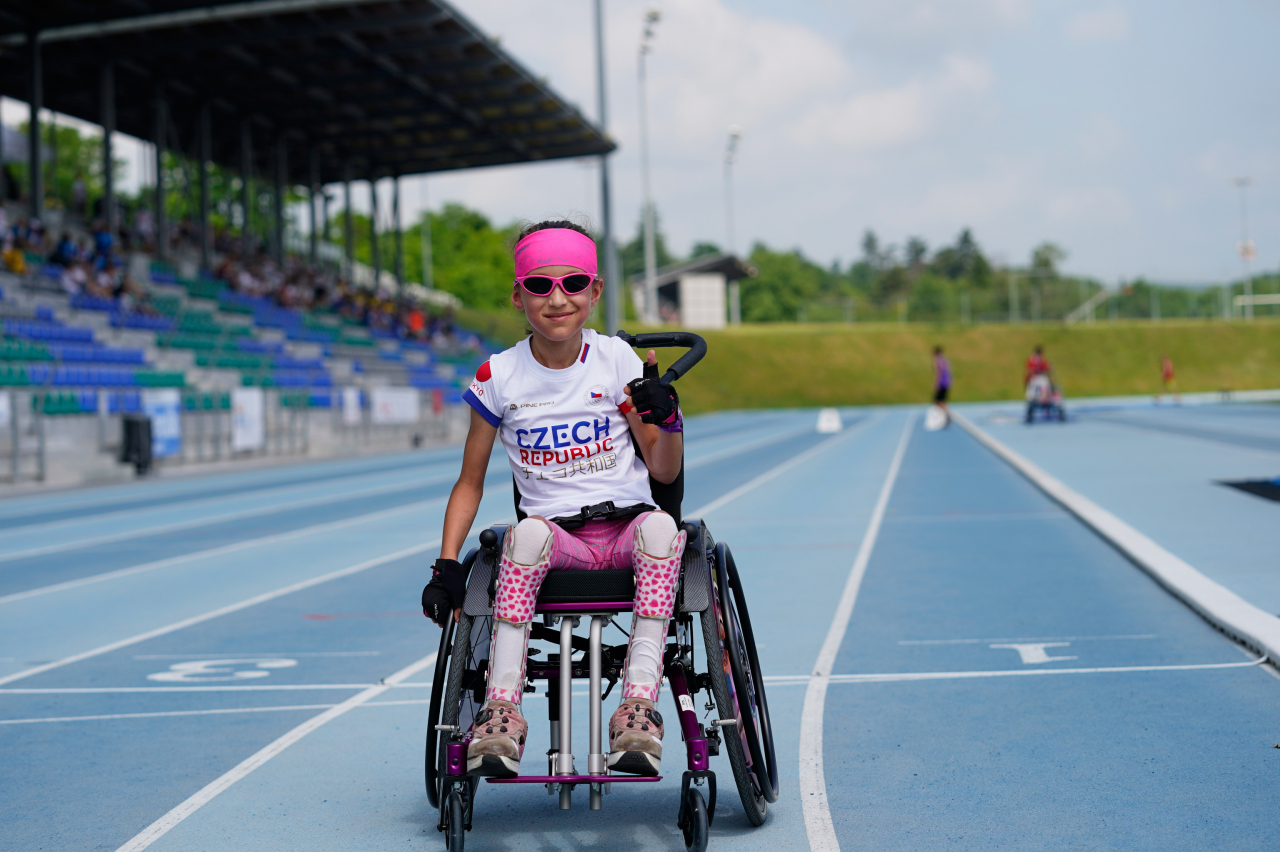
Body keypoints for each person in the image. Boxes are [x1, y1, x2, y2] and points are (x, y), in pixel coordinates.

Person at [421, 220, 686, 780]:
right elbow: (469, 481)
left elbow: (663, 469)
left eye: (574, 283)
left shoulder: (618, 360)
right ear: (518, 296)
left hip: (629, 531)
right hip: (557, 539)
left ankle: (638, 707)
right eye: (540, 285)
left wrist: (669, 420)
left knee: (664, 528)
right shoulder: (498, 375)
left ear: (595, 290)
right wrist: (446, 565)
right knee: (524, 535)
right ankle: (500, 712)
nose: (557, 298)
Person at [932, 345, 951, 426]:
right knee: (942, 400)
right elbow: (948, 370)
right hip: (946, 381)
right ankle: (946, 415)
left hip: (941, 382)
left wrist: (936, 383)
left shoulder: (937, 360)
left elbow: (938, 372)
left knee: (938, 401)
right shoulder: (945, 359)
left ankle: (946, 415)